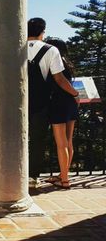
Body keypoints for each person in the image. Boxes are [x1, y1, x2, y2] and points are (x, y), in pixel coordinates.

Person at [27, 18, 79, 188]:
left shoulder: (14, 49)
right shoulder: (51, 50)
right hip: (41, 103)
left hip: (16, 101)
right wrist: (75, 93)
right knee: (37, 140)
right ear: (42, 31)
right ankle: (32, 177)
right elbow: (59, 78)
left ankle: (10, 175)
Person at [45, 38, 79, 189]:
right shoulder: (68, 63)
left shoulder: (54, 62)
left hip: (58, 103)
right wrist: (75, 95)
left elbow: (59, 81)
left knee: (61, 144)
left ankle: (64, 180)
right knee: (68, 141)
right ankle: (63, 174)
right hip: (70, 103)